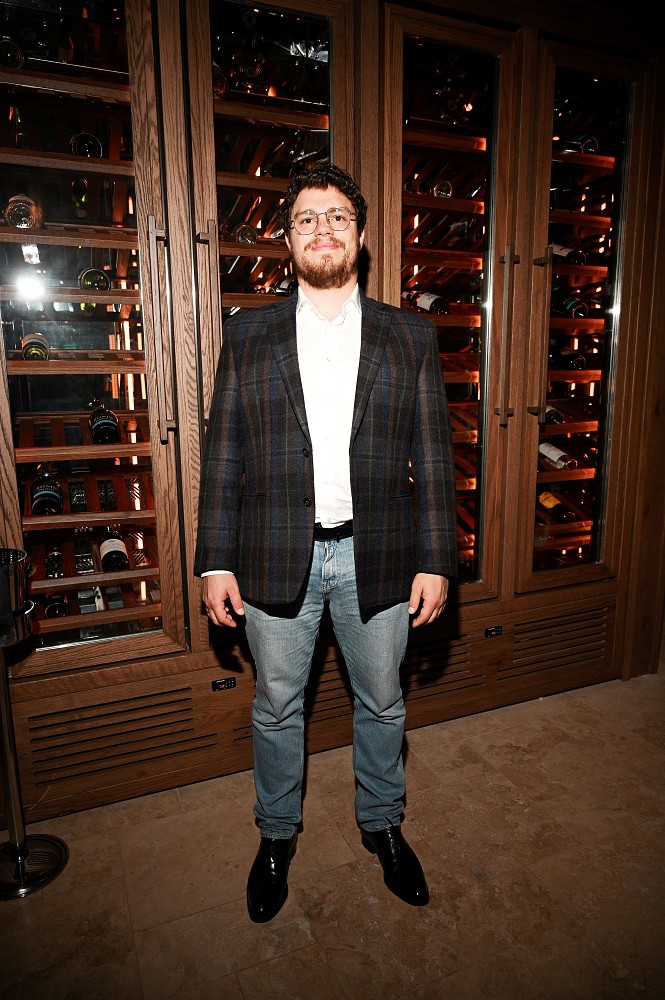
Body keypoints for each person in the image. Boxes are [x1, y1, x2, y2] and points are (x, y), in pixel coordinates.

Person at [194, 163, 457, 923]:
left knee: (383, 702)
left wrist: (436, 560)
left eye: (337, 216)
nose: (323, 230)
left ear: (360, 235)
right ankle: (276, 835)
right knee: (277, 706)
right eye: (307, 218)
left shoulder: (409, 334)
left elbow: (434, 454)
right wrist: (215, 560)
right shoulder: (249, 334)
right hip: (276, 554)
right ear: (288, 240)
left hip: (381, 554)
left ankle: (382, 824)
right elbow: (224, 453)